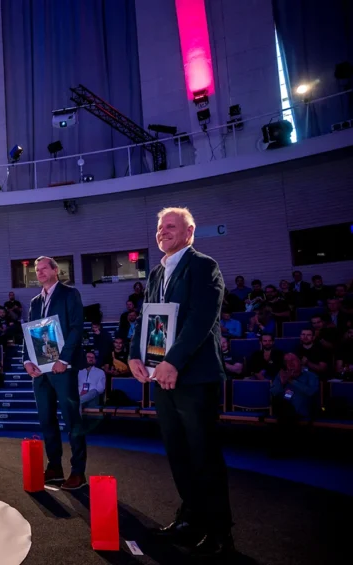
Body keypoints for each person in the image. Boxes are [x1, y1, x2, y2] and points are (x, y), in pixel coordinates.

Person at [128, 207, 233, 556]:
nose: (163, 231)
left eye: (171, 226)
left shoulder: (204, 266)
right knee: (178, 453)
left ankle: (220, 532)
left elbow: (202, 319)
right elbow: (145, 318)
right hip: (162, 377)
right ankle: (191, 519)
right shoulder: (157, 273)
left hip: (195, 377)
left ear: (189, 232)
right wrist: (134, 354)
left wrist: (173, 361)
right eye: (160, 227)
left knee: (204, 454)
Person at [24, 256, 87, 491]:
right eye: (36, 270)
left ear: (55, 270)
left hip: (63, 367)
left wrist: (64, 359)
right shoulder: (35, 302)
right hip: (40, 371)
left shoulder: (70, 294)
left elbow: (76, 328)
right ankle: (54, 467)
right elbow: (29, 332)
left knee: (72, 420)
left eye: (43, 269)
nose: (39, 273)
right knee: (46, 419)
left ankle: (78, 472)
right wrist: (27, 360)